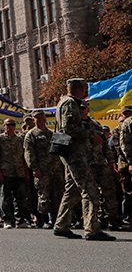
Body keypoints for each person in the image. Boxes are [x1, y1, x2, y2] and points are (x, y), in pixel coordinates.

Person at [53, 79, 114, 241]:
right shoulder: (70, 103)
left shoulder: (64, 102)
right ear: (80, 88)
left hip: (71, 152)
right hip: (74, 153)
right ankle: (92, 229)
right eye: (84, 89)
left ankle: (61, 224)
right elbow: (68, 128)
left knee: (73, 190)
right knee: (91, 190)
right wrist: (90, 134)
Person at [23, 109, 63, 229]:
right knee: (43, 195)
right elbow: (29, 153)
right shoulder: (31, 134)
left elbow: (60, 151)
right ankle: (44, 219)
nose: (40, 119)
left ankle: (56, 219)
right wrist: (34, 168)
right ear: (33, 120)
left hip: (56, 169)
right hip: (42, 169)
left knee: (57, 194)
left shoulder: (52, 133)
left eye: (42, 116)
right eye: (37, 117)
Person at [0, 118, 31, 229]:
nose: (10, 127)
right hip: (6, 172)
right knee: (5, 198)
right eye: (8, 125)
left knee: (20, 198)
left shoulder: (19, 140)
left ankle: (20, 220)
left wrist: (26, 173)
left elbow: (24, 158)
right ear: (4, 126)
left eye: (12, 125)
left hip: (19, 172)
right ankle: (7, 219)